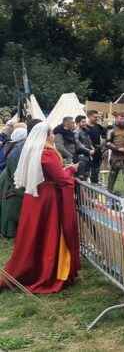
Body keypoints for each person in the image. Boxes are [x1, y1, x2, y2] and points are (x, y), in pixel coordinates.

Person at [0, 123, 80, 293]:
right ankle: (46, 271)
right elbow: (61, 178)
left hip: (34, 196)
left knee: (35, 234)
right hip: (47, 198)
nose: (53, 136)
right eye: (51, 133)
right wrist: (72, 170)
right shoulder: (46, 153)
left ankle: (33, 267)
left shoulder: (32, 151)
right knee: (48, 234)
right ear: (46, 135)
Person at [0, 126, 29, 238]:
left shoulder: (13, 146)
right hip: (10, 181)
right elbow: (15, 170)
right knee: (10, 207)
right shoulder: (17, 149)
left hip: (7, 179)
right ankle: (9, 232)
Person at [83, 110, 106, 184]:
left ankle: (94, 185)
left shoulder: (99, 127)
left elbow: (105, 137)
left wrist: (102, 147)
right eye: (95, 117)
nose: (97, 118)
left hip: (97, 152)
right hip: (86, 152)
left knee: (95, 171)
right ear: (89, 116)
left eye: (97, 117)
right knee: (85, 173)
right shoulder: (84, 127)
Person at [74, 115, 96, 180]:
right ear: (77, 123)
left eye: (85, 122)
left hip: (87, 156)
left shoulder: (85, 131)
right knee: (81, 177)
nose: (85, 123)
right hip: (80, 157)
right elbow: (78, 144)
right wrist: (88, 151)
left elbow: (89, 142)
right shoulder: (76, 132)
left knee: (87, 175)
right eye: (83, 122)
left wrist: (92, 148)